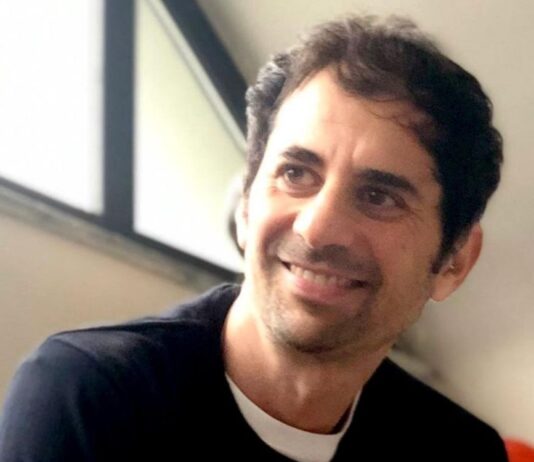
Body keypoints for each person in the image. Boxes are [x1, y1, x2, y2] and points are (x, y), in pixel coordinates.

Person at [0, 15, 506, 461]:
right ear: (245, 205)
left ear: (454, 261)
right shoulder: (90, 396)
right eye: (295, 173)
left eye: (379, 196)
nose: (316, 227)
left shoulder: (460, 451)